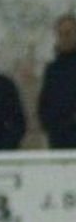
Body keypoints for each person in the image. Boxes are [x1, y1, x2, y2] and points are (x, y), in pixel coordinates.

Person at [38, 12, 76, 148]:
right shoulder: (52, 70)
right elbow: (44, 106)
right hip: (60, 140)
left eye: (68, 33)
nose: (65, 38)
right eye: (61, 34)